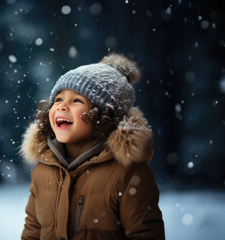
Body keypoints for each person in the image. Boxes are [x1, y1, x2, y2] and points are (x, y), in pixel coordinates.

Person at [20, 52, 165, 240]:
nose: (62, 106)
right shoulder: (44, 169)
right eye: (58, 99)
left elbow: (144, 234)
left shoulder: (129, 175)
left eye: (76, 100)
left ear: (104, 115)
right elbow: (33, 230)